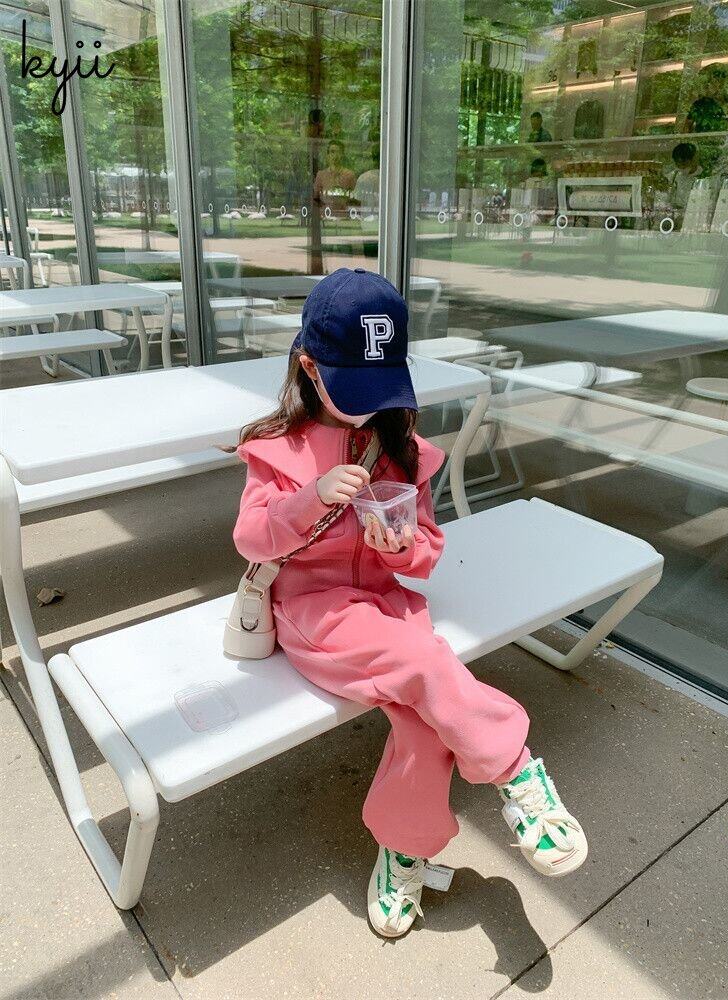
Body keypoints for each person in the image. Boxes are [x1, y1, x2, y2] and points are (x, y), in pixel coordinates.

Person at [231, 268, 588, 939]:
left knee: (425, 723)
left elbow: (426, 550)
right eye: (354, 390)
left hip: (388, 609)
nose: (369, 408)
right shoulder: (279, 448)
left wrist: (399, 545)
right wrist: (310, 498)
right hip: (315, 613)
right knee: (427, 666)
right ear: (309, 367)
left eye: (381, 389)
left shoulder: (399, 447)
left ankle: (403, 851)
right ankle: (516, 770)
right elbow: (250, 537)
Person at [686, 63, 728, 133]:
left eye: (723, 76)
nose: (720, 80)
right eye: (716, 76)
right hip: (703, 137)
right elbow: (687, 127)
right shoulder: (699, 104)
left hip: (722, 136)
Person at [313, 139, 357, 215]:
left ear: (342, 155)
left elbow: (355, 199)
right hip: (325, 216)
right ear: (328, 155)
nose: (335, 156)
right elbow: (315, 199)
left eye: (338, 152)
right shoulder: (321, 175)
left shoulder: (349, 175)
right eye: (332, 152)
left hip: (344, 216)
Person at [666, 142, 702, 213]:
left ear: (693, 159)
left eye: (684, 164)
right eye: (678, 164)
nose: (681, 167)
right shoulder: (673, 176)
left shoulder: (702, 177)